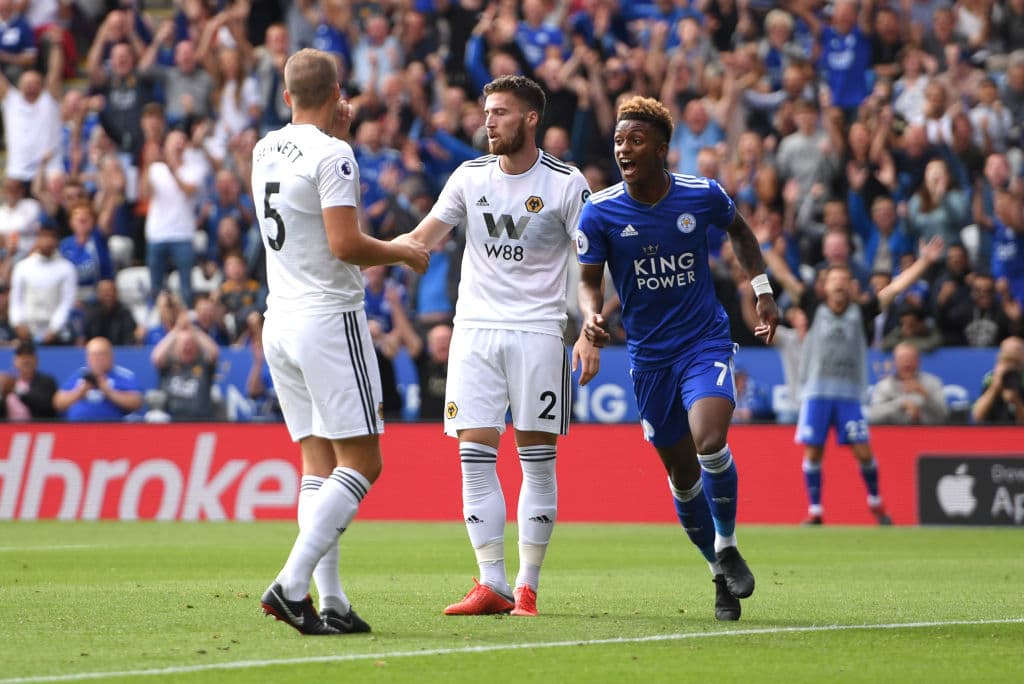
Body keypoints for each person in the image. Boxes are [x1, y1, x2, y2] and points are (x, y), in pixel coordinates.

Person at [573, 96, 780, 622]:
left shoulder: (700, 194)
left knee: (711, 439)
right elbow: (587, 281)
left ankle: (728, 544)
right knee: (683, 479)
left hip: (703, 341)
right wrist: (591, 317)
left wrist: (762, 289)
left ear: (662, 149)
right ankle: (718, 571)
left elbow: (741, 232)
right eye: (619, 141)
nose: (624, 149)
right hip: (648, 360)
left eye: (635, 140)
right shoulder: (600, 210)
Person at [252, 48, 429, 636]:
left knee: (317, 462)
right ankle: (292, 582)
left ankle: (329, 600)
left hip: (278, 319)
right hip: (328, 319)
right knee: (363, 460)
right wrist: (402, 249)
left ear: (285, 97)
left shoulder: (263, 148)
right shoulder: (335, 155)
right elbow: (345, 245)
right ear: (337, 92)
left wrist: (334, 131)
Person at [404, 75, 590, 618]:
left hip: (537, 332)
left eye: (502, 113)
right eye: (487, 112)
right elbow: (421, 240)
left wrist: (590, 323)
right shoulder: (468, 176)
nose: (489, 121)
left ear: (531, 119)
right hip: (475, 332)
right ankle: (492, 582)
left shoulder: (565, 182)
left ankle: (527, 586)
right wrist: (359, 251)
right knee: (474, 459)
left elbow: (589, 262)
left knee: (537, 462)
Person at [795, 237, 945, 526]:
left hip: (850, 394)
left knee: (863, 452)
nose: (838, 283)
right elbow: (787, 279)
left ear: (853, 286)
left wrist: (924, 261)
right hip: (818, 393)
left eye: (844, 278)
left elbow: (897, 287)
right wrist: (762, 248)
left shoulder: (862, 311)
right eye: (833, 278)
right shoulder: (814, 307)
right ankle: (815, 511)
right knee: (813, 450)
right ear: (824, 286)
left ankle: (875, 502)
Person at [52, 336, 143, 421]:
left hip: (113, 428)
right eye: (93, 355)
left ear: (111, 355)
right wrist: (80, 392)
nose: (97, 359)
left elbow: (136, 403)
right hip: (78, 427)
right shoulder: (79, 375)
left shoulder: (124, 375)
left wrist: (107, 391)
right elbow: (58, 403)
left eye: (101, 354)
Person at [150, 313, 219, 421]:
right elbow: (156, 357)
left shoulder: (204, 364)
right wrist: (176, 331)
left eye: (190, 342)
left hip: (200, 420)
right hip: (171, 420)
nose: (187, 346)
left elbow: (214, 353)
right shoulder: (168, 364)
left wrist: (194, 330)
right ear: (176, 346)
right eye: (183, 343)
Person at [867, 342, 949, 425]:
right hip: (893, 433)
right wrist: (900, 403)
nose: (907, 363)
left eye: (911, 358)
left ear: (918, 361)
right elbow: (873, 416)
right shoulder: (884, 385)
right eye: (902, 359)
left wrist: (926, 395)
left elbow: (943, 415)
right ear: (895, 362)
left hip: (926, 432)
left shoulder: (932, 383)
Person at [971, 336, 1024, 425]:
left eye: (1015, 362)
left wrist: (1015, 401)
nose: (1010, 367)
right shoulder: (990, 378)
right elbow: (977, 416)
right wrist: (994, 388)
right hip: (994, 432)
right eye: (1007, 361)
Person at [0, 339, 58, 421]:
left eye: (29, 356)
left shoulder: (47, 381)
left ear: (36, 360)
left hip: (36, 430)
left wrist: (17, 390)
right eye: (21, 356)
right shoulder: (7, 381)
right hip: (7, 430)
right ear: (14, 360)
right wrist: (2, 394)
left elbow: (46, 408)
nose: (26, 360)